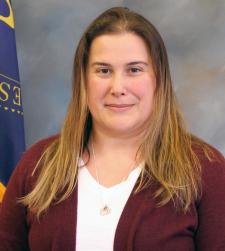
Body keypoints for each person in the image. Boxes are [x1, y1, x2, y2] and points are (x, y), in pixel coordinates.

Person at [0, 6, 225, 251]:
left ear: (158, 80)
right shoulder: (37, 165)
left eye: (134, 70)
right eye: (104, 71)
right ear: (83, 81)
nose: (118, 87)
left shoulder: (205, 170)